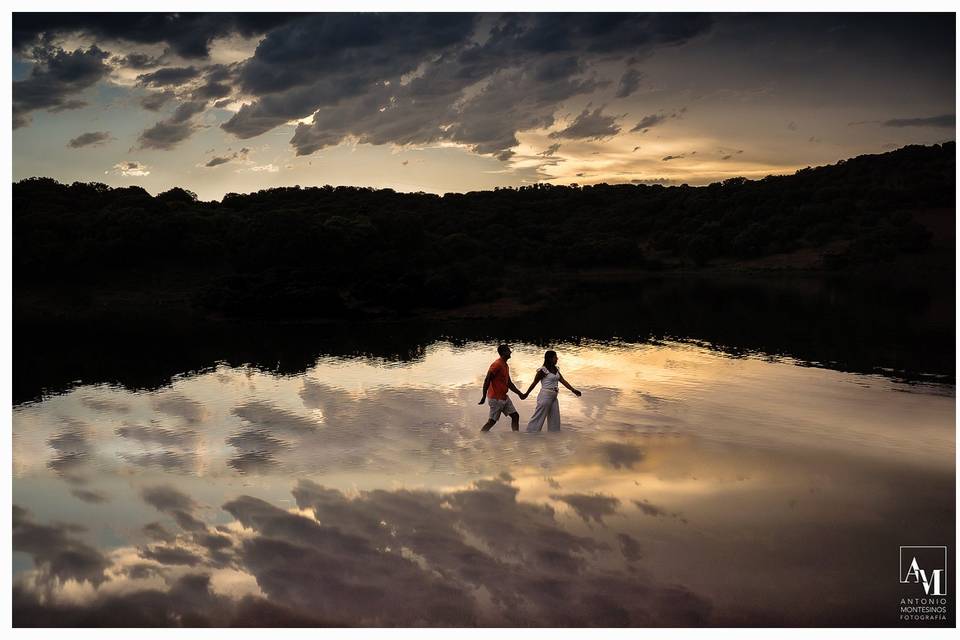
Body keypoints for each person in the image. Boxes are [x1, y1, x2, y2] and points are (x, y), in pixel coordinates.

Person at [523, 350, 581, 432]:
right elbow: (534, 383)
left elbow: (563, 381)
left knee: (555, 419)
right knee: (538, 418)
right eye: (555, 357)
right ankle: (529, 435)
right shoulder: (542, 370)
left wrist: (573, 390)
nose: (557, 359)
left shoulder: (556, 369)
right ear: (550, 359)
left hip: (554, 397)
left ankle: (554, 438)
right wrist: (526, 394)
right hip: (545, 396)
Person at [479, 344, 527, 432]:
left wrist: (520, 394)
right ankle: (480, 436)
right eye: (508, 350)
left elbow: (509, 383)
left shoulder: (505, 365)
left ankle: (516, 438)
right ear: (504, 352)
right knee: (492, 421)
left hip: (504, 397)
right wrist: (483, 396)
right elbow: (487, 379)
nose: (510, 352)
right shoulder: (496, 364)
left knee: (515, 416)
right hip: (496, 399)